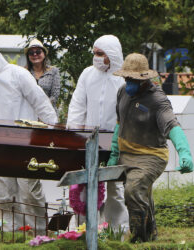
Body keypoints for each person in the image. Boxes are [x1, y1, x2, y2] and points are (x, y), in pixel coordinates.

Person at [0, 37, 58, 233]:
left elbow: (41, 102)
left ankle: (40, 236)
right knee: (3, 195)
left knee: (29, 193)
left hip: (25, 144)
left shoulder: (17, 75)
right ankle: (9, 236)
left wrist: (55, 132)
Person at [110, 53, 193, 242]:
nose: (128, 81)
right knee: (142, 193)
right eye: (126, 77)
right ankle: (151, 233)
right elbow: (118, 123)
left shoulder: (158, 100)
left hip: (151, 155)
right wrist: (114, 153)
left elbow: (172, 125)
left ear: (144, 79)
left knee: (133, 189)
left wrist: (184, 153)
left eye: (132, 79)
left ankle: (139, 238)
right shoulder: (123, 92)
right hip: (127, 153)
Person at [67, 35, 129, 233]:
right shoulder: (87, 74)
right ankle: (85, 232)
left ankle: (116, 232)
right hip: (88, 141)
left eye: (100, 54)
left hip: (115, 142)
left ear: (111, 55)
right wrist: (74, 135)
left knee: (114, 188)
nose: (96, 58)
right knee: (83, 186)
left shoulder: (124, 79)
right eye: (94, 53)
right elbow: (77, 104)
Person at [24, 39, 61, 109]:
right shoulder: (24, 72)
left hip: (48, 113)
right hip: (28, 113)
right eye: (31, 53)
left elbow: (55, 96)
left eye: (38, 52)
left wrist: (42, 108)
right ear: (28, 56)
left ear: (44, 54)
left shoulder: (54, 71)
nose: (35, 54)